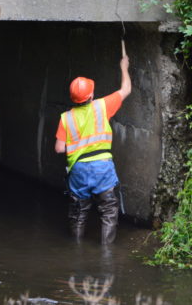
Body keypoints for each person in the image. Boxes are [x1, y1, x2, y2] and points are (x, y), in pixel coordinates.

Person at [55, 54, 131, 244]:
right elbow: (126, 89)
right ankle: (106, 252)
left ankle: (76, 250)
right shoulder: (102, 106)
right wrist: (124, 67)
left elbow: (58, 148)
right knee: (108, 210)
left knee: (79, 212)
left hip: (79, 170)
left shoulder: (66, 117)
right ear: (91, 95)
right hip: (102, 168)